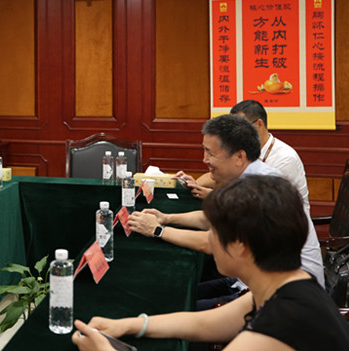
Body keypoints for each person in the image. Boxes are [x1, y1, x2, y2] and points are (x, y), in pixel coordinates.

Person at [73, 175, 349, 351]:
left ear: (241, 246)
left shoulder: (280, 325)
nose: (209, 241)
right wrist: (131, 325)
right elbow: (204, 324)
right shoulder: (289, 284)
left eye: (215, 232)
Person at [127, 114, 324, 288]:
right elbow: (212, 218)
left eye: (210, 153)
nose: (204, 160)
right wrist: (166, 218)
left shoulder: (261, 188)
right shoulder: (250, 176)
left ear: (239, 157)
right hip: (251, 282)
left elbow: (211, 243)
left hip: (282, 295)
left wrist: (157, 230)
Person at [184, 100, 309, 209]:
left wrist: (214, 196)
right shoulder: (243, 151)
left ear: (259, 124)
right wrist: (194, 184)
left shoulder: (285, 159)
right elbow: (219, 174)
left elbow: (256, 202)